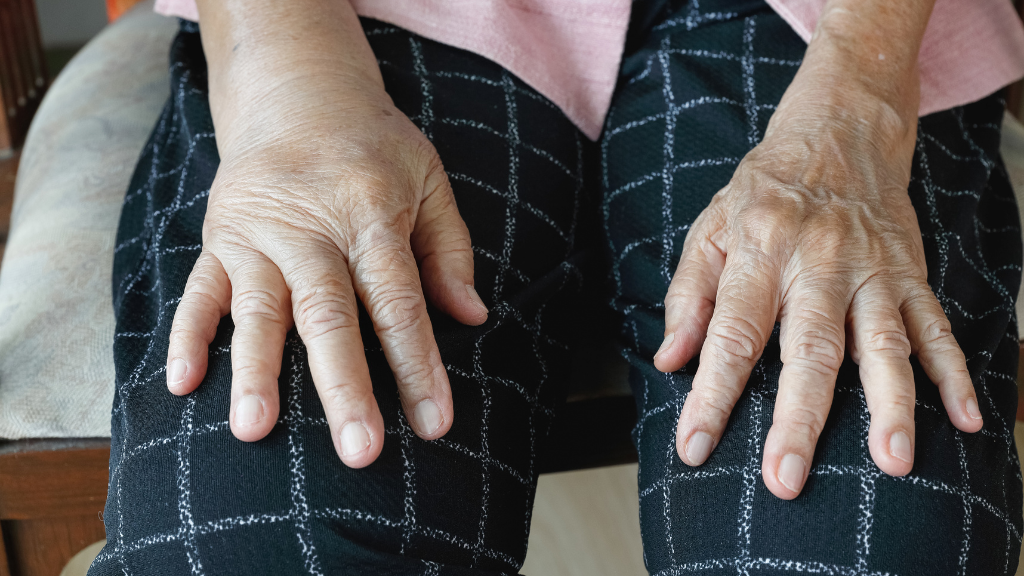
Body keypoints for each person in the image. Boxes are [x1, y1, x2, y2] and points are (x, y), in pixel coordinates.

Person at [89, 0, 1024, 573]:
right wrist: (283, 77)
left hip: (830, 26)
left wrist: (857, 105)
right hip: (371, 12)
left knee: (859, 548)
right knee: (260, 541)